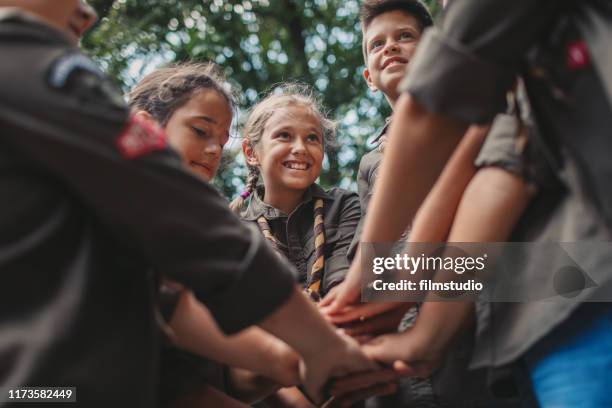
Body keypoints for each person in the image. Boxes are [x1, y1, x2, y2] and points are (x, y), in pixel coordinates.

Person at [0, 1, 378, 406]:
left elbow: (170, 318)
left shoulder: (344, 203)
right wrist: (320, 345)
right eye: (200, 132)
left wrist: (294, 356)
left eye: (314, 137)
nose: (87, 14)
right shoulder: (30, 64)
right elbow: (199, 232)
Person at [324, 0, 612, 406]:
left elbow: (438, 119)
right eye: (376, 44)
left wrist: (389, 287)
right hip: (527, 304)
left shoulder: (484, 99)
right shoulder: (372, 164)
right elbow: (506, 174)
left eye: (408, 36)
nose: (391, 47)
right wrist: (404, 302)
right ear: (368, 77)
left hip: (542, 292)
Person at [229, 84, 375, 406]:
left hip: (348, 361)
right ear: (252, 153)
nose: (301, 148)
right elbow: (250, 328)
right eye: (284, 136)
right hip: (273, 388)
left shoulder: (344, 205)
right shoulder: (233, 230)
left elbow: (342, 281)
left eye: (312, 138)